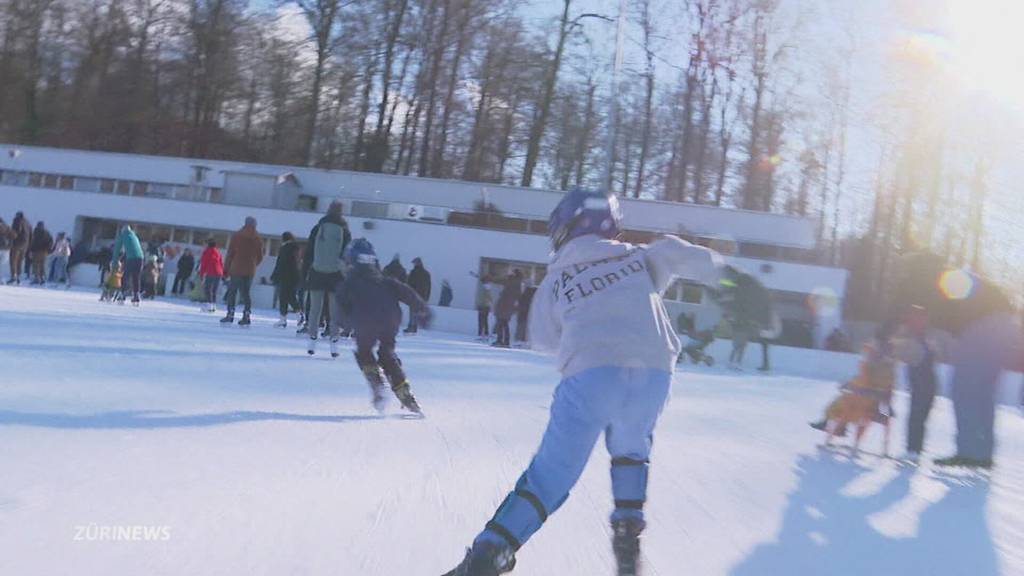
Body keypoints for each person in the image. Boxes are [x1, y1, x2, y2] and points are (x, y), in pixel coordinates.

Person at [443, 189, 721, 576]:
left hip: (591, 374)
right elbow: (678, 255)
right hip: (654, 373)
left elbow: (542, 338)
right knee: (631, 446)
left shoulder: (556, 278)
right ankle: (627, 537)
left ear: (567, 228)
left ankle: (491, 552)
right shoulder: (638, 257)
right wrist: (726, 274)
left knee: (551, 474)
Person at [339, 238, 430, 414]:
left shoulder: (349, 283)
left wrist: (345, 325)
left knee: (364, 351)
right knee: (387, 353)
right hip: (390, 319)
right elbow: (407, 292)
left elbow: (342, 306)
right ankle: (406, 394)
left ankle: (377, 386)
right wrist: (423, 310)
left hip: (365, 320)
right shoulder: (385, 280)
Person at [302, 201, 350, 354]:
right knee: (334, 310)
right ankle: (334, 344)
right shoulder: (344, 230)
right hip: (336, 275)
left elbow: (309, 252)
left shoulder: (318, 227)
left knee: (315, 309)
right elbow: (347, 256)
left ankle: (311, 342)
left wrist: (305, 273)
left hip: (317, 272)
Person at [903, 306, 940, 459]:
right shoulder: (924, 338)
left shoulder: (919, 338)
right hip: (926, 384)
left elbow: (916, 362)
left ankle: (913, 449)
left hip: (922, 385)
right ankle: (915, 449)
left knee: (917, 417)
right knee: (919, 417)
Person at [220, 216, 264, 326]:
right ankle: (246, 315)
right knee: (246, 293)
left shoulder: (237, 235)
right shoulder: (258, 238)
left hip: (236, 268)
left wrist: (226, 269)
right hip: (250, 270)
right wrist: (253, 264)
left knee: (232, 292)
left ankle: (230, 314)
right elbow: (260, 256)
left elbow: (230, 253)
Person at [270, 232, 302, 328]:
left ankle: (283, 319)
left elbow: (280, 263)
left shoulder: (284, 249)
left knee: (283, 297)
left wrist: (274, 275)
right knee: (291, 296)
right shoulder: (296, 248)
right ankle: (298, 314)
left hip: (285, 276)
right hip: (294, 276)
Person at [111, 224, 144, 305]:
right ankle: (136, 295)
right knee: (136, 277)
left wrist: (114, 263)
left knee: (125, 276)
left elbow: (116, 250)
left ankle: (123, 294)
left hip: (132, 258)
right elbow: (133, 248)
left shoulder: (123, 235)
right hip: (141, 258)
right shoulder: (134, 235)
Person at [492, 270, 522, 348]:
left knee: (501, 324)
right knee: (504, 324)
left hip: (504, 306)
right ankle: (505, 341)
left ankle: (500, 340)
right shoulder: (518, 283)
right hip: (508, 307)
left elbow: (499, 281)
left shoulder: (511, 281)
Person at [405, 257, 432, 333]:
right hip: (423, 296)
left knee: (412, 311)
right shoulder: (426, 274)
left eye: (414, 263)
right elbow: (429, 286)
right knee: (417, 311)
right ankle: (414, 326)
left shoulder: (413, 273)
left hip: (414, 295)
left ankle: (411, 326)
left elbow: (409, 284)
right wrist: (427, 297)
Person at [198, 238, 224, 312]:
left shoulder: (206, 252)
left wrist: (201, 275)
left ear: (208, 244)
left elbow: (203, 264)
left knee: (207, 289)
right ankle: (213, 306)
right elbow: (221, 263)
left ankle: (209, 306)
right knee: (214, 290)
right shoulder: (218, 252)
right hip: (219, 272)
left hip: (211, 271)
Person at [7, 212, 31, 285]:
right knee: (20, 261)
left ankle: (13, 277)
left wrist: (10, 238)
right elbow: (31, 234)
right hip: (25, 245)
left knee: (13, 260)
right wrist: (29, 245)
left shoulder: (17, 220)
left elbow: (16, 231)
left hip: (17, 243)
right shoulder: (27, 223)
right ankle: (18, 277)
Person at [473, 273, 493, 341]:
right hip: (486, 306)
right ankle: (485, 334)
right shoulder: (487, 287)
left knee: (481, 320)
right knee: (484, 321)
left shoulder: (484, 287)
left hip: (483, 305)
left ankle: (480, 334)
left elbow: (486, 297)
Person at [0, 217, 13, 284]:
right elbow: (14, 235)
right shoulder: (7, 227)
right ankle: (2, 280)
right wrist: (10, 244)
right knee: (3, 265)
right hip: (6, 249)